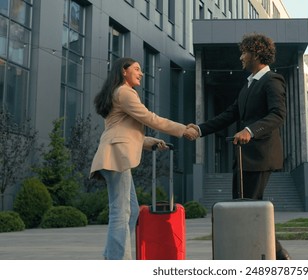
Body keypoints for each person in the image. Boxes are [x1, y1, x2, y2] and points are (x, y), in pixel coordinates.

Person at [188, 33, 290, 260]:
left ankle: (279, 258)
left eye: (243, 52)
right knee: (245, 208)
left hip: (261, 155)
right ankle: (273, 256)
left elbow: (278, 115)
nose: (241, 58)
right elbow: (229, 115)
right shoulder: (248, 86)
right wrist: (200, 129)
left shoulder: (272, 80)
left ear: (255, 53)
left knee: (251, 210)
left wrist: (250, 130)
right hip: (245, 157)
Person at [90, 57, 198, 260]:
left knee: (130, 210)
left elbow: (124, 132)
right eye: (137, 69)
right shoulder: (124, 92)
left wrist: (152, 143)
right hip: (116, 156)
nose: (141, 73)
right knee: (121, 213)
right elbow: (150, 118)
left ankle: (112, 256)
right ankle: (118, 262)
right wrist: (183, 130)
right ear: (124, 71)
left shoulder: (118, 93)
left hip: (116, 154)